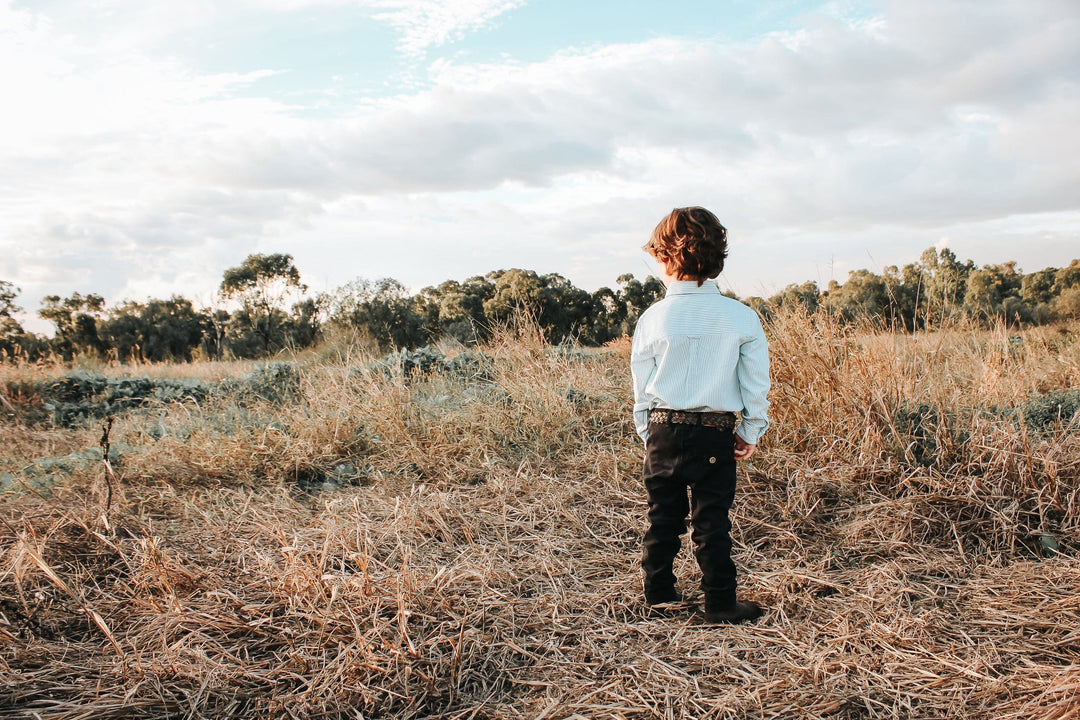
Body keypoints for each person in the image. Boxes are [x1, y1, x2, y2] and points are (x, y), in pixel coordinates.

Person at [630, 206, 770, 624]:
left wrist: (647, 432)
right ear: (715, 259)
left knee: (663, 518)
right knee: (712, 521)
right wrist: (751, 429)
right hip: (715, 431)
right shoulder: (741, 317)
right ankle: (721, 603)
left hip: (662, 430)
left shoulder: (652, 318)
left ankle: (658, 595)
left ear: (664, 258)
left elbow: (642, 386)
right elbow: (754, 384)